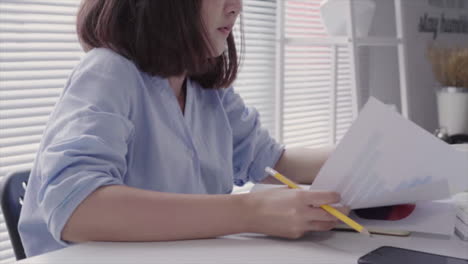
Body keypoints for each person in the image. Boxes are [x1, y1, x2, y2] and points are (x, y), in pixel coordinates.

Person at [18, 0, 348, 257]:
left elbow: (272, 162)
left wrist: (366, 157)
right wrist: (253, 211)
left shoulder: (204, 88)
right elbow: (78, 210)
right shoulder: (108, 72)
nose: (237, 6)